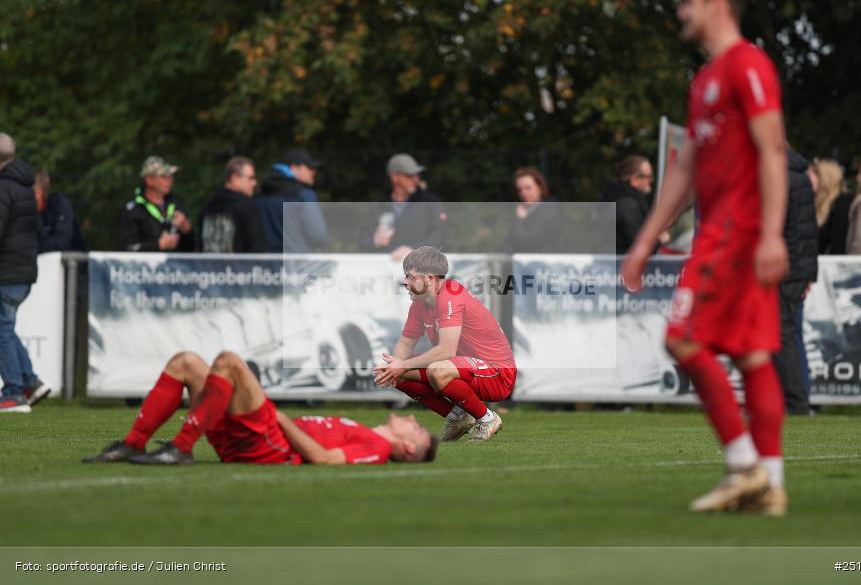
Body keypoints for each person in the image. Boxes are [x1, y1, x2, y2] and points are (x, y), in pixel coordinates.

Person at [621, 0, 789, 515]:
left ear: (718, 2)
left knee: (682, 340)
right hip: (722, 228)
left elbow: (773, 150)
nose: (680, 10)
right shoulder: (706, 79)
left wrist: (770, 232)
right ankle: (772, 488)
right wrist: (647, 239)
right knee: (750, 353)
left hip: (736, 231)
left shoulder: (748, 65)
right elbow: (688, 167)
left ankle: (744, 466)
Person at [83, 350, 437, 465]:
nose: (411, 418)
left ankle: (182, 448)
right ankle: (133, 443)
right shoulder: (368, 432)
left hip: (268, 442)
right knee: (186, 362)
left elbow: (326, 461)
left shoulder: (376, 447)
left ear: (406, 447)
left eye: (416, 428)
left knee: (230, 362)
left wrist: (282, 419)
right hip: (258, 432)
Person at [374, 246, 516, 442]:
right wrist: (394, 366)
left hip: (498, 374)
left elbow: (446, 350)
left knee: (436, 369)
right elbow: (405, 344)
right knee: (397, 374)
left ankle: (487, 418)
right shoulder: (420, 303)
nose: (405, 282)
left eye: (410, 276)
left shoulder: (451, 295)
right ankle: (458, 416)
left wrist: (402, 364)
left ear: (430, 278)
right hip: (463, 367)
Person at [0, 133, 50, 412]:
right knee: (5, 328)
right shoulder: (24, 186)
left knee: (2, 330)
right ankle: (30, 381)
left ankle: (13, 393)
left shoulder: (3, 188)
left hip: (5, 272)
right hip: (22, 272)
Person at [772, 151, 818, 416]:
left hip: (782, 268)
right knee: (788, 333)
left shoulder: (777, 176)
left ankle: (794, 402)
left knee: (781, 334)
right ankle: (795, 400)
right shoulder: (800, 177)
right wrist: (808, 272)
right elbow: (806, 231)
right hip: (796, 268)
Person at [359, 154, 448, 261]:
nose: (415, 179)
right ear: (394, 177)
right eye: (409, 176)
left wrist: (414, 250)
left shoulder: (430, 202)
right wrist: (375, 241)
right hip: (387, 270)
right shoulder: (379, 205)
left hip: (422, 270)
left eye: (417, 175)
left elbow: (440, 235)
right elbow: (363, 241)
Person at [256, 149, 328, 253]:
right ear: (294, 168)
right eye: (309, 167)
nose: (313, 171)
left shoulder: (261, 194)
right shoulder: (304, 195)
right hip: (298, 264)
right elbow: (319, 236)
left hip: (266, 265)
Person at [120, 156, 195, 252]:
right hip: (146, 266)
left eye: (171, 175)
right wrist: (158, 245)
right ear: (149, 180)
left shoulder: (177, 203)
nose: (170, 179)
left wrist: (187, 230)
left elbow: (192, 249)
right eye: (164, 176)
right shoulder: (133, 209)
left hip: (177, 266)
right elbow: (127, 249)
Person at [197, 156, 267, 253]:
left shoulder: (208, 204)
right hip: (239, 267)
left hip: (208, 267)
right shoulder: (246, 206)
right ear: (234, 178)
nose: (254, 183)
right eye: (250, 178)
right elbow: (257, 248)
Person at [601, 155, 655, 254]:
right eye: (648, 176)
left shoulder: (618, 196)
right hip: (620, 264)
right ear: (634, 180)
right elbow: (636, 242)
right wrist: (659, 239)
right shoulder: (627, 204)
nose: (651, 180)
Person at [502, 167, 562, 253]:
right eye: (519, 190)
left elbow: (525, 241)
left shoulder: (549, 211)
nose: (523, 193)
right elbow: (508, 242)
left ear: (539, 187)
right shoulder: (523, 211)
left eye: (528, 188)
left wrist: (520, 220)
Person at [34, 170, 87, 253]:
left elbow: (61, 243)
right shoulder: (28, 212)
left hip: (72, 262)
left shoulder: (60, 206)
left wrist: (29, 247)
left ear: (38, 193)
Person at [812, 159, 851, 254]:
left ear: (825, 179)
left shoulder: (841, 206)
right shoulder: (822, 204)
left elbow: (839, 246)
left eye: (816, 175)